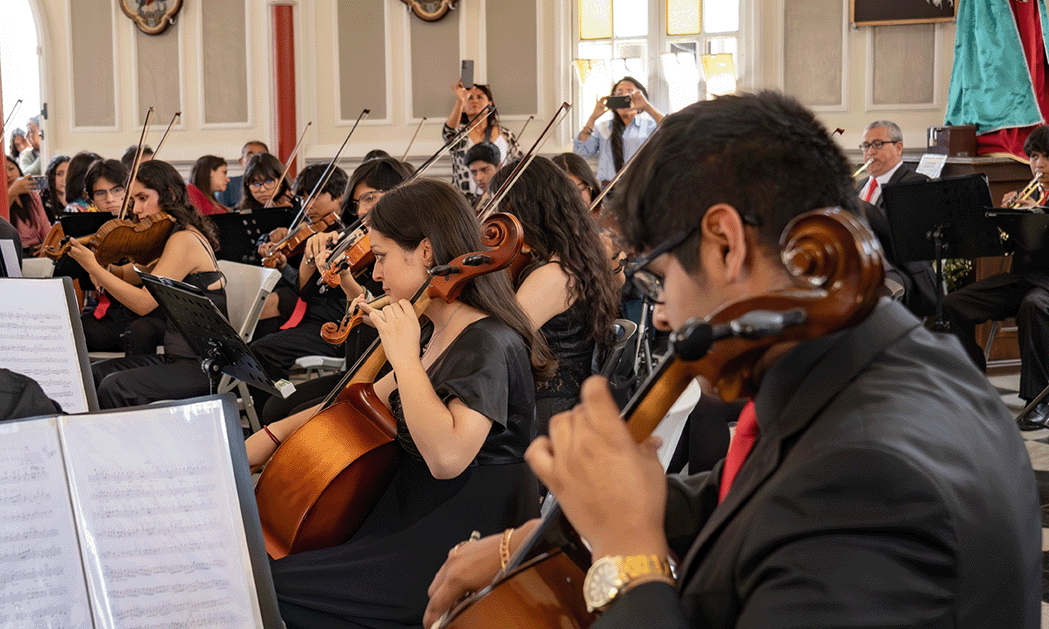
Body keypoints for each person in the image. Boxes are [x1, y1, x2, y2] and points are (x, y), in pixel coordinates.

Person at [425, 91, 1042, 629]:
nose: (661, 315)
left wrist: (625, 554)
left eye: (660, 278)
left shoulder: (870, 475)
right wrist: (532, 537)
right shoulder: (892, 360)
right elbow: (736, 492)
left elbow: (811, 493)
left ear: (725, 244)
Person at [249, 178, 549, 629]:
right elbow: (356, 405)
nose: (375, 274)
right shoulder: (433, 325)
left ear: (426, 252)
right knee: (261, 574)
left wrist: (404, 356)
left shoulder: (489, 340)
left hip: (457, 534)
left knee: (268, 591)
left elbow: (448, 457)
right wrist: (258, 444)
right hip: (407, 513)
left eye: (383, 256)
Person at [67, 160, 226, 409]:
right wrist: (106, 268)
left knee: (115, 386)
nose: (137, 209)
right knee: (92, 375)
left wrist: (93, 267)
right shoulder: (171, 236)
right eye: (133, 201)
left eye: (143, 198)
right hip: (177, 359)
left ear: (169, 195)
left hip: (202, 366)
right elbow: (128, 274)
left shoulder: (184, 239)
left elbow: (143, 303)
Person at [489, 156, 619, 433]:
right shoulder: (579, 257)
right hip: (565, 406)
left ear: (523, 210)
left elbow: (494, 345)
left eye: (501, 209)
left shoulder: (554, 276)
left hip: (548, 418)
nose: (497, 220)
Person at [944, 124, 1049, 428]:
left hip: (1044, 286)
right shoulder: (1030, 194)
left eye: (1045, 157)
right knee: (952, 305)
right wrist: (1008, 222)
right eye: (1033, 157)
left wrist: (1037, 219)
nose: (1038, 165)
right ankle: (974, 380)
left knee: (1034, 305)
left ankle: (1038, 401)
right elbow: (1005, 248)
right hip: (1022, 278)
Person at [249, 163, 349, 384]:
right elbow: (304, 287)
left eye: (314, 197)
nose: (307, 206)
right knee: (256, 343)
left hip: (333, 327)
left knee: (262, 351)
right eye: (303, 199)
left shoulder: (344, 238)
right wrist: (284, 266)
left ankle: (279, 402)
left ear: (339, 196)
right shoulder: (315, 235)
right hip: (311, 320)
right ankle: (273, 399)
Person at [855, 120, 938, 316]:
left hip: (901, 273)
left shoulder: (915, 184)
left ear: (898, 147)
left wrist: (856, 204)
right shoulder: (860, 186)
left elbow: (896, 232)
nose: (870, 152)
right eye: (865, 146)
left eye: (877, 144)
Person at [574, 77, 664, 187]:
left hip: (640, 189)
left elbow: (671, 129)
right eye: (619, 93)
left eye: (630, 92)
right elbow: (580, 152)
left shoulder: (649, 126)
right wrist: (593, 118)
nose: (624, 96)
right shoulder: (602, 127)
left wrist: (647, 107)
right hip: (609, 190)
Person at [443, 81, 521, 198]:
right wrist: (460, 100)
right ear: (463, 108)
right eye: (469, 98)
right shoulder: (460, 133)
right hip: (466, 199)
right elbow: (448, 131)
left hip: (501, 197)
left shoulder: (505, 134)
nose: (474, 101)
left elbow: (518, 164)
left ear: (490, 104)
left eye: (480, 97)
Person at [5, 156, 50, 256]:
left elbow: (46, 229)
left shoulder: (33, 196)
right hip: (12, 253)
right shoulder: (4, 200)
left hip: (37, 252)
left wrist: (47, 245)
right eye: (2, 171)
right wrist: (11, 193)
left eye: (11, 169)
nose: (8, 175)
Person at [217, 140, 268, 208]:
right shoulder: (228, 184)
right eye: (250, 155)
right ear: (241, 161)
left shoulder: (276, 182)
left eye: (260, 155)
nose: (255, 159)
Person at [40, 155, 70, 220]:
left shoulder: (80, 201)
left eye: (69, 173)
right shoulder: (42, 203)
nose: (65, 179)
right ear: (51, 176)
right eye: (59, 174)